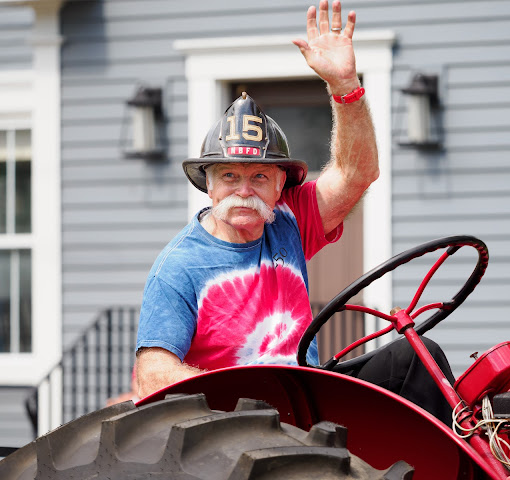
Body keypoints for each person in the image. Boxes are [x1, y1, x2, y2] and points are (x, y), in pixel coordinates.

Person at [135, 0, 454, 425]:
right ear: (207, 184)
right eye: (229, 175)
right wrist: (239, 402)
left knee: (416, 358)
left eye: (260, 177)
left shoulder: (287, 219)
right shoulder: (179, 267)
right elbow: (152, 377)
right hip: (239, 420)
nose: (243, 190)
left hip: (308, 396)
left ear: (281, 185)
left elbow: (359, 172)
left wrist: (344, 85)